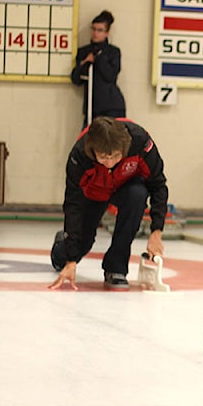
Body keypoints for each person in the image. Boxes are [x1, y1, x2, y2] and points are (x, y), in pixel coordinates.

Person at [49, 117, 169, 291]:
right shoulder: (79, 155)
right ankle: (61, 248)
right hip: (93, 192)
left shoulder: (141, 143)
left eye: (115, 156)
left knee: (138, 195)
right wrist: (71, 260)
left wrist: (156, 231)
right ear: (92, 151)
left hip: (126, 186)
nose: (110, 162)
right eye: (104, 157)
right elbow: (73, 204)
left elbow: (158, 185)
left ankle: (116, 268)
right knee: (80, 245)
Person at [71, 10, 125, 128]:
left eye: (100, 30)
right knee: (88, 142)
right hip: (92, 106)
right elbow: (76, 79)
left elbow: (110, 76)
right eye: (93, 29)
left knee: (112, 142)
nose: (95, 33)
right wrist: (85, 62)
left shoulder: (113, 52)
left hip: (112, 106)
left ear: (107, 33)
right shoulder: (84, 51)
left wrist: (98, 59)